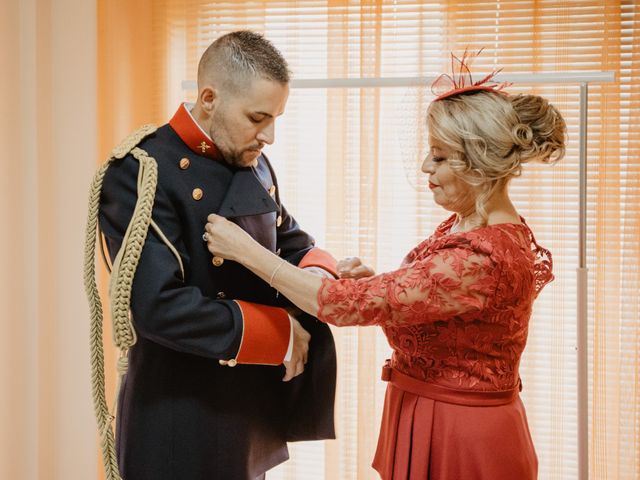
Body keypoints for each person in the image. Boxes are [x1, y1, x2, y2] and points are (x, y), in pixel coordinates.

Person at [204, 56, 567, 479]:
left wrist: (247, 251)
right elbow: (446, 314)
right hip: (431, 411)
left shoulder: (481, 255)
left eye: (440, 157)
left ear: (480, 166)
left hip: (461, 431)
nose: (426, 168)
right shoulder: (471, 224)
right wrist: (383, 288)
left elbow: (338, 303)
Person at [95, 31, 338, 480]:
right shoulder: (141, 170)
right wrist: (279, 333)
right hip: (179, 415)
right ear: (209, 97)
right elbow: (157, 306)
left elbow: (291, 241)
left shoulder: (252, 157)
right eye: (258, 117)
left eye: (275, 118)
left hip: (248, 409)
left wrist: (324, 278)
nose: (269, 135)